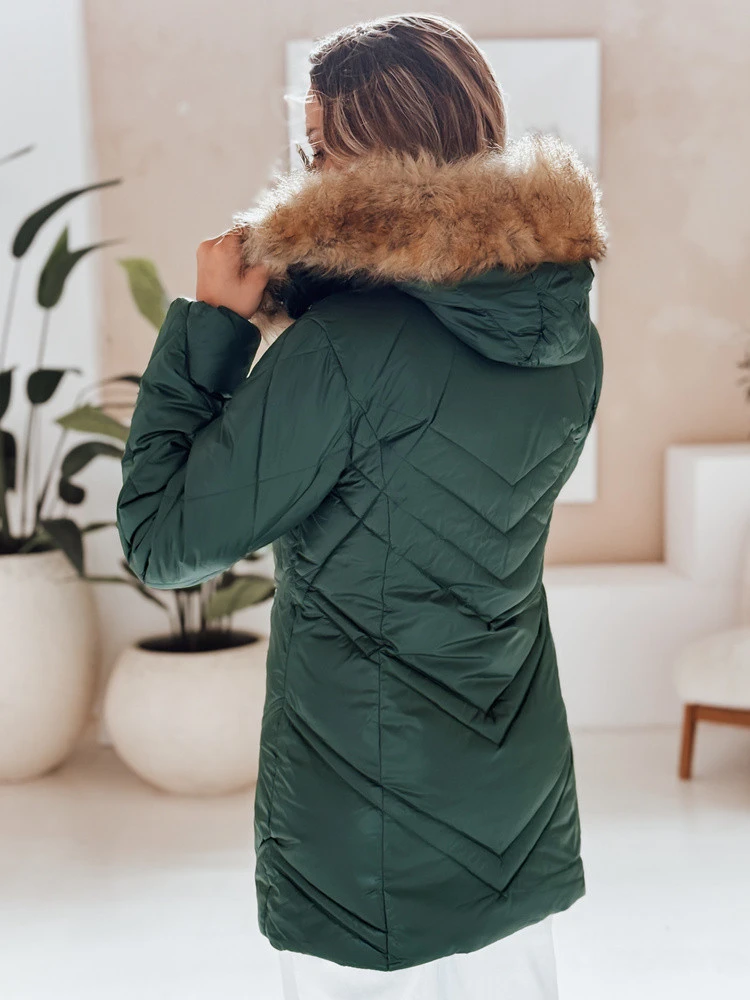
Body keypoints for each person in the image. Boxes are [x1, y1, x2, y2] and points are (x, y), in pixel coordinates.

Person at [116, 12, 606, 1000]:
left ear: (380, 157)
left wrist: (212, 323)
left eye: (320, 148)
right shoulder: (561, 333)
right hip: (513, 804)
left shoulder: (347, 350)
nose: (306, 173)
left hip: (367, 828)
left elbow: (163, 541)